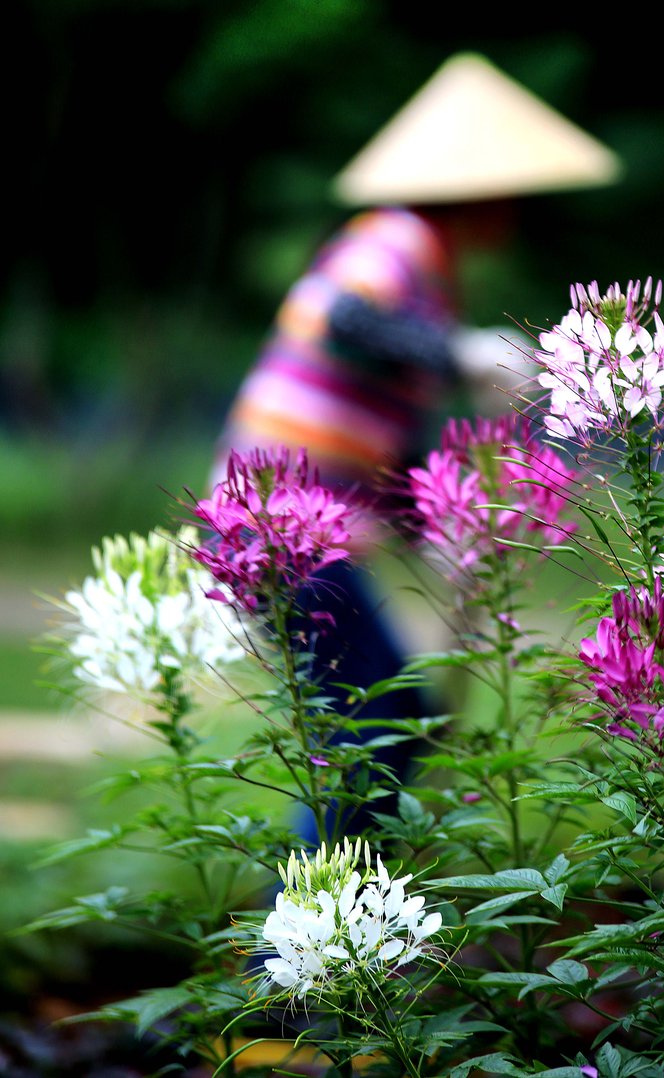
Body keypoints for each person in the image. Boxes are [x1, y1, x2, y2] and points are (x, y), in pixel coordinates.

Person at [210, 53, 622, 836]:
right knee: (373, 728)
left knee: (399, 718)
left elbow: (384, 445)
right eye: (513, 190)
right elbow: (348, 321)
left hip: (307, 525)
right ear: (480, 189)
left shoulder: (429, 273)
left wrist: (443, 534)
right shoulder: (390, 241)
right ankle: (298, 942)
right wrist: (462, 351)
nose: (519, 207)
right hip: (273, 521)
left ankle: (339, 926)